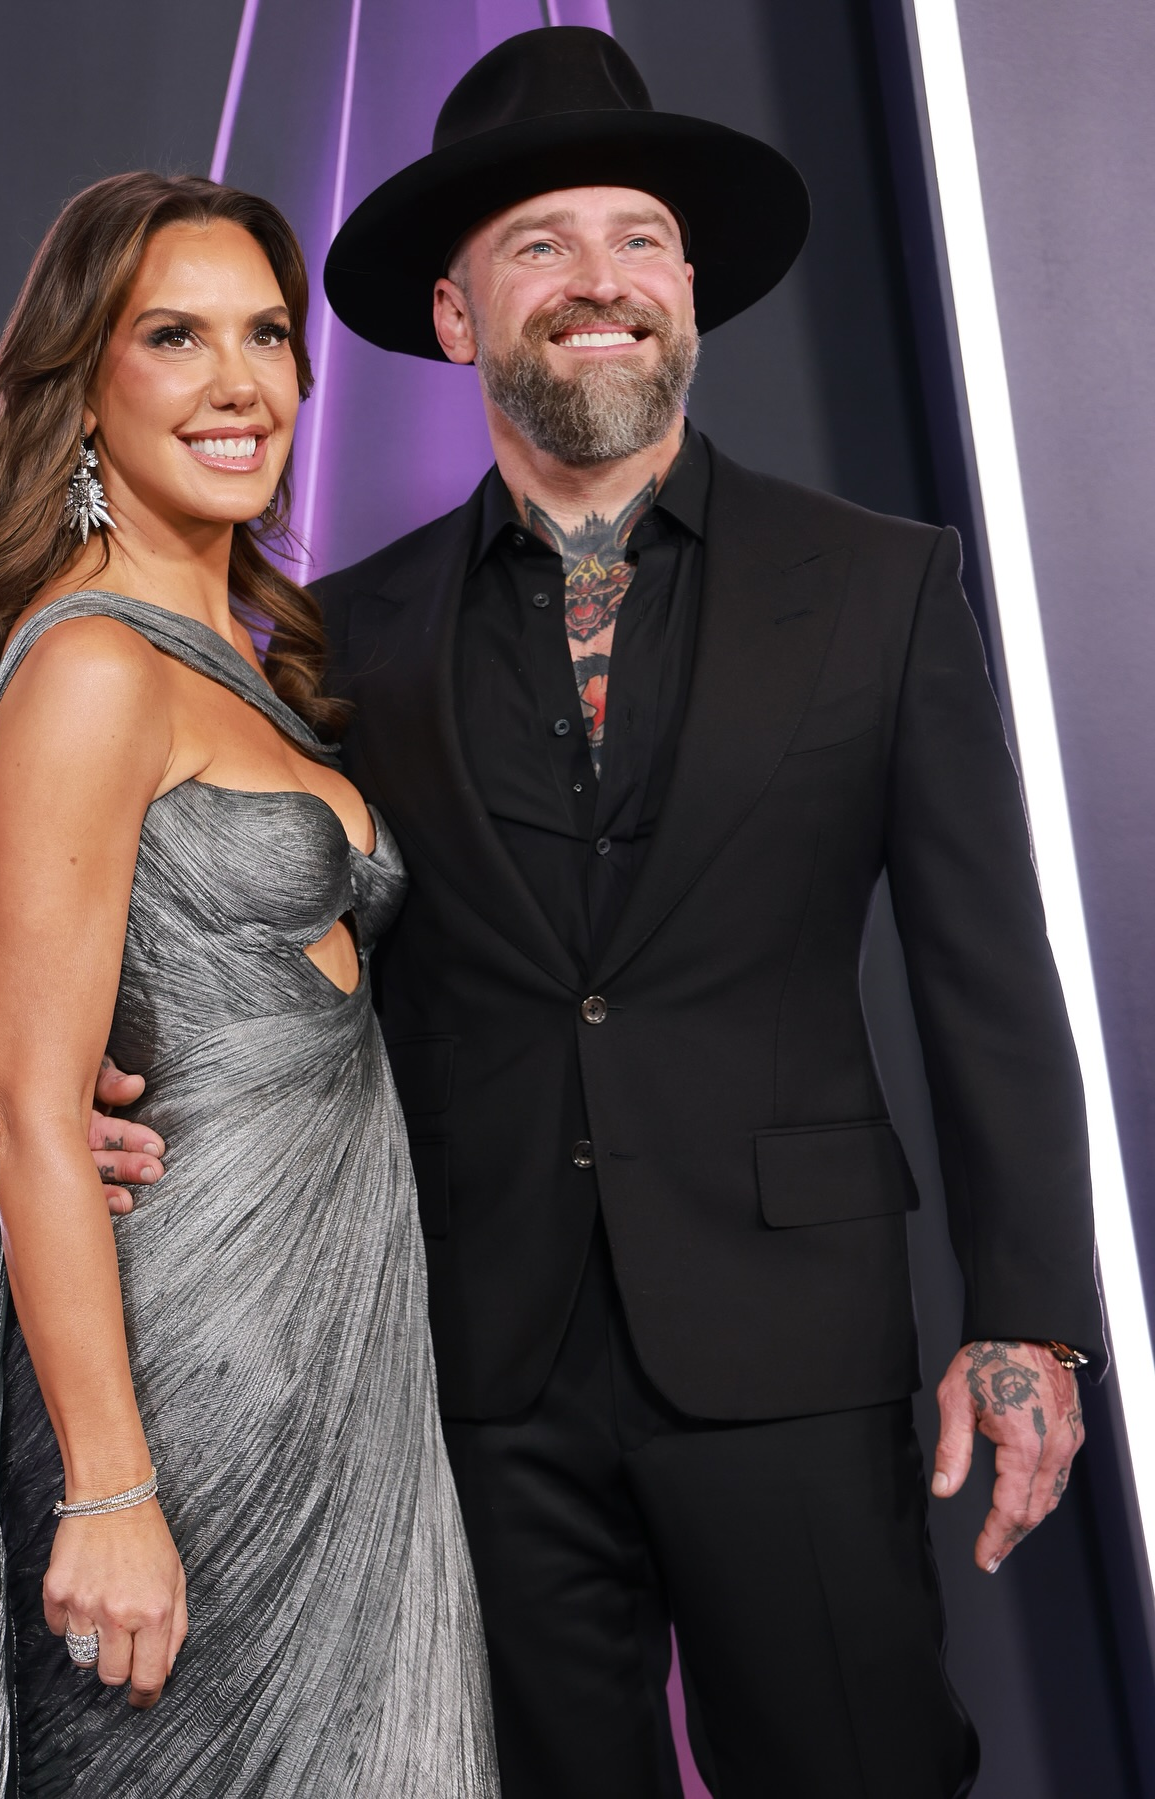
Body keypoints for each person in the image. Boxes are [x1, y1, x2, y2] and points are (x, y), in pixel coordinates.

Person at [89, 29, 1102, 1799]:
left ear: (689, 291)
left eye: (640, 239)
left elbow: (989, 976)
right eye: (541, 245)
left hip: (791, 1341)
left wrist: (1028, 1314)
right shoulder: (344, 636)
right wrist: (129, 1092)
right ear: (458, 314)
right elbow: (297, 949)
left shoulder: (880, 586)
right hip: (473, 1355)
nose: (601, 280)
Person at [0, 172, 499, 1799]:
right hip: (180, 1377)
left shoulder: (245, 661)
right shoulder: (91, 665)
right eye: (175, 337)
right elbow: (29, 1099)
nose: (241, 384)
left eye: (267, 337)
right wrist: (108, 1486)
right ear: (83, 389)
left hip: (342, 1353)